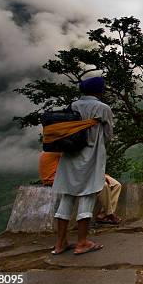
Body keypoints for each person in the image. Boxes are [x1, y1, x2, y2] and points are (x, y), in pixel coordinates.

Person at [51, 76, 113, 255]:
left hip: (70, 157)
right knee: (87, 196)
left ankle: (60, 243)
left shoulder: (73, 106)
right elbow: (109, 134)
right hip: (91, 158)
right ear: (98, 90)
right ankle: (82, 242)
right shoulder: (102, 108)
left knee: (67, 198)